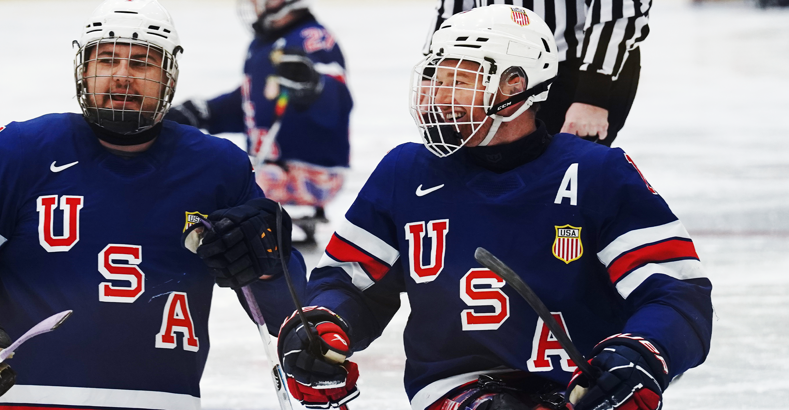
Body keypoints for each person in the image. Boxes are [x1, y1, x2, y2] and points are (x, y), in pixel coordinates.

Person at [277, 6, 712, 410]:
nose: (439, 96)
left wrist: (640, 354)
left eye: (460, 80)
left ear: (516, 87)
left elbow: (677, 293)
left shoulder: (597, 172)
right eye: (436, 77)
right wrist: (321, 325)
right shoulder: (404, 172)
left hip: (581, 388)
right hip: (456, 390)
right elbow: (349, 285)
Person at [0, 0, 306, 407]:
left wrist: (271, 264)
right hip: (36, 400)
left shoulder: (219, 168)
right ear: (83, 70)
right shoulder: (17, 153)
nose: (122, 77)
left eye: (143, 63)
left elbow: (289, 313)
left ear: (169, 76)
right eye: (106, 60)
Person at [166, 0, 352, 242]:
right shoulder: (266, 43)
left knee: (214, 178)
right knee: (216, 168)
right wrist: (206, 112)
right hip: (272, 168)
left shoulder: (312, 38)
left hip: (313, 174)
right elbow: (254, 104)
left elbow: (337, 100)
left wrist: (314, 86)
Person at [427, 0, 647, 146]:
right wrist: (432, 75)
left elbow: (620, 10)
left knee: (563, 181)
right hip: (485, 67)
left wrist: (591, 95)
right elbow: (455, 8)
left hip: (576, 71)